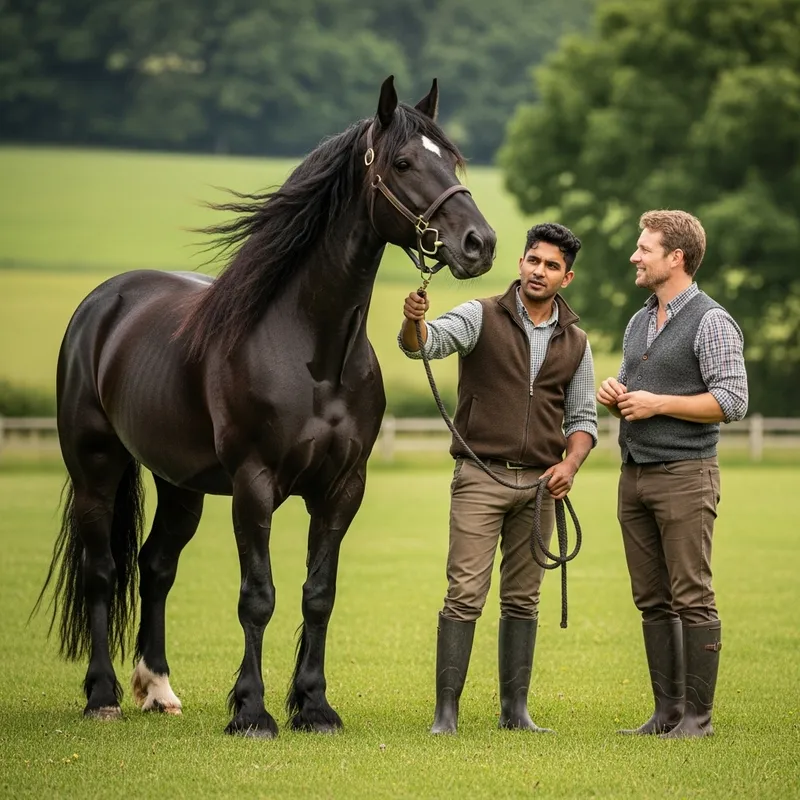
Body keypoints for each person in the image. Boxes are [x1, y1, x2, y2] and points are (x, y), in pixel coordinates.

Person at [399, 222, 597, 734]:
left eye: (552, 265)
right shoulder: (479, 315)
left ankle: (516, 713)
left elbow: (582, 422)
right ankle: (446, 715)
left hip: (541, 486)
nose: (539, 270)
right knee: (464, 593)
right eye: (534, 259)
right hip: (480, 477)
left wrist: (569, 466)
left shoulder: (576, 342)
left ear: (566, 277)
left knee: (523, 598)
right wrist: (413, 324)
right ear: (521, 263)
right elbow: (424, 346)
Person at [597, 209, 748, 738]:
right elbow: (638, 394)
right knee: (652, 599)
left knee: (692, 596)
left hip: (686, 475)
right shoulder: (640, 319)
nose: (634, 256)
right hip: (634, 475)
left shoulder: (712, 320)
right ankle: (665, 715)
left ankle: (697, 721)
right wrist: (616, 397)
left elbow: (733, 399)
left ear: (675, 257)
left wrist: (658, 403)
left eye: (645, 248)